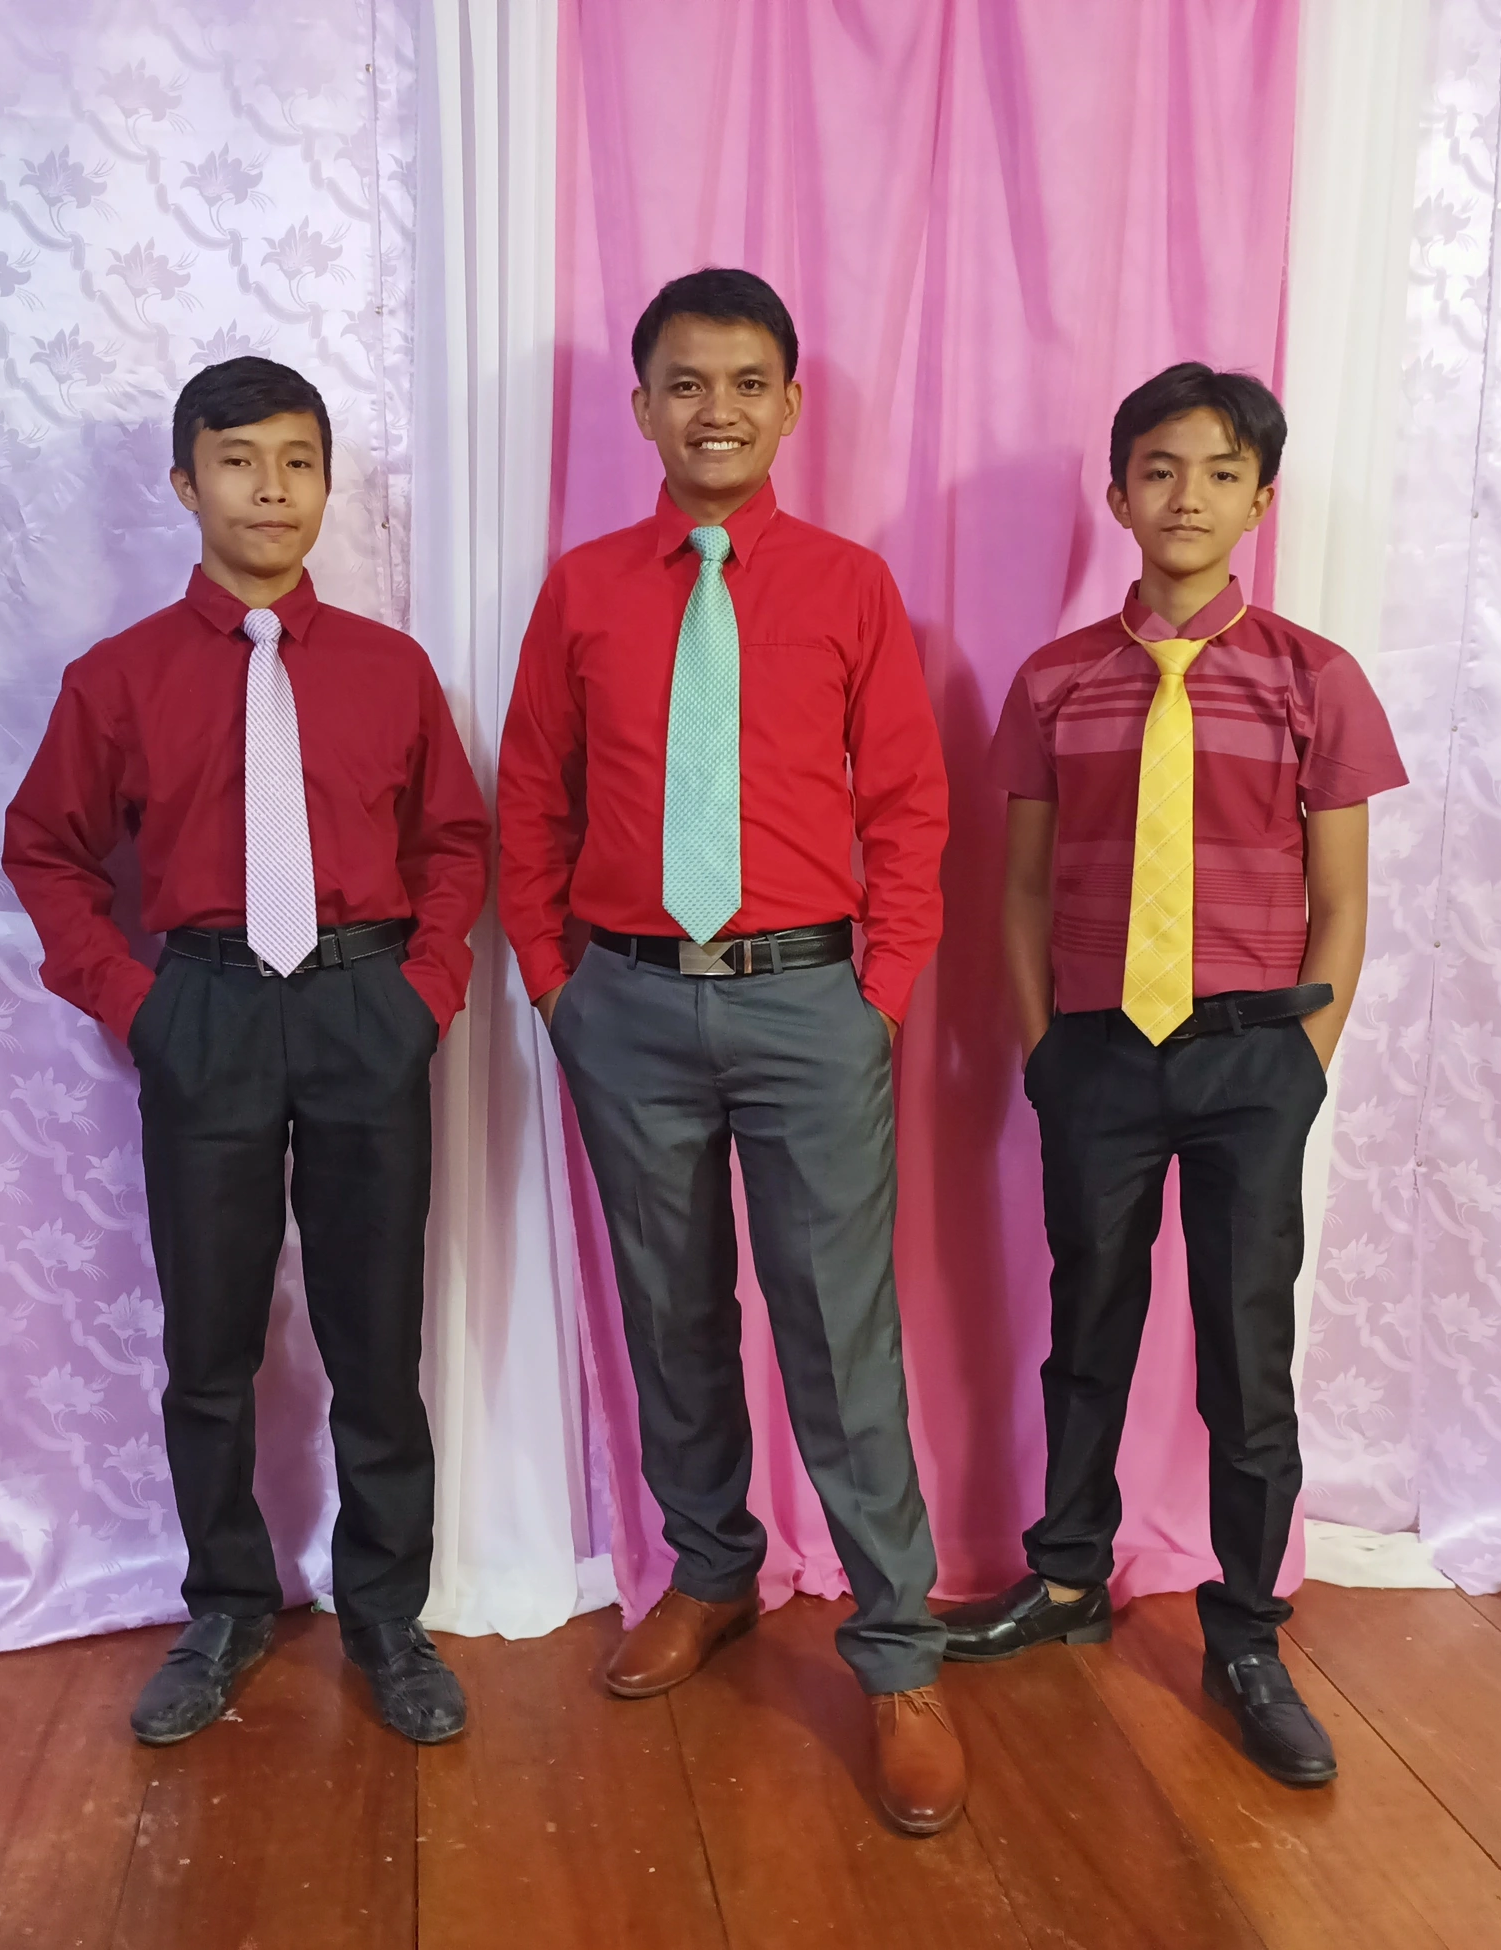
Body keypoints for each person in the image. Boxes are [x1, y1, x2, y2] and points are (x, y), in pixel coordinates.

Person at [495, 268, 964, 1835]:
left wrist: (877, 991)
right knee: (670, 1302)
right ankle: (711, 1569)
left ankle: (896, 1648)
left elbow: (907, 802)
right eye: (686, 382)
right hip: (624, 1000)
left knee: (838, 1324)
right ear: (641, 406)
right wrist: (555, 979)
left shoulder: (848, 584)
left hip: (806, 1001)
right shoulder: (583, 589)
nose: (717, 409)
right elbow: (533, 793)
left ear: (790, 404)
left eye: (747, 381)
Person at [3, 357, 489, 1749]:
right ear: (185, 483)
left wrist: (424, 989)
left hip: (364, 1006)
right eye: (238, 461)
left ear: (327, 483)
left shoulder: (392, 671)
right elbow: (45, 851)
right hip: (205, 1011)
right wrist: (136, 1002)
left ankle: (387, 1610)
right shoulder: (119, 679)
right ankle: (223, 1604)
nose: (271, 490)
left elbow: (454, 842)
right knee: (210, 1340)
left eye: (298, 462)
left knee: (373, 1334)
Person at [941, 363, 1407, 1787]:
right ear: (1118, 494)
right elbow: (1022, 888)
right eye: (1158, 468)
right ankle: (1067, 1575)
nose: (1186, 495)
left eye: (1218, 472)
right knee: (1089, 1322)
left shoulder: (1316, 677)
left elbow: (1344, 899)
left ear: (1260, 501)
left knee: (1245, 1349)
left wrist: (1302, 1065)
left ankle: (1247, 1631)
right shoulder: (1057, 679)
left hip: (1255, 1055)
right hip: (1099, 1054)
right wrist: (1045, 1046)